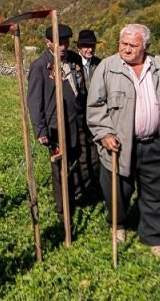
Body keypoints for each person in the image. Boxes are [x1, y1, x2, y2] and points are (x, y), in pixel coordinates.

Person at [87, 23, 160, 260]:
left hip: (154, 142)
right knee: (117, 189)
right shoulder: (108, 68)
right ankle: (118, 224)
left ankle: (152, 237)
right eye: (123, 44)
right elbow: (95, 106)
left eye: (133, 45)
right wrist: (105, 134)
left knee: (155, 192)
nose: (126, 49)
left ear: (146, 46)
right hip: (119, 144)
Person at [27, 24, 85, 222]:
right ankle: (63, 211)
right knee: (60, 167)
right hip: (55, 125)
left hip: (77, 121)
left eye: (66, 42)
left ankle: (74, 190)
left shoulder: (74, 59)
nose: (63, 46)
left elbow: (81, 87)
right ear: (48, 43)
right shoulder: (40, 66)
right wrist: (41, 129)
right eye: (59, 43)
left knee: (86, 158)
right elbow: (35, 100)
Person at [75, 29, 102, 203]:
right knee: (84, 155)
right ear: (79, 47)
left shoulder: (100, 64)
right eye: (86, 46)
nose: (89, 49)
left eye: (92, 46)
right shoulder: (72, 63)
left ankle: (91, 187)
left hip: (96, 116)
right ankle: (72, 189)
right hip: (78, 117)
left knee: (96, 155)